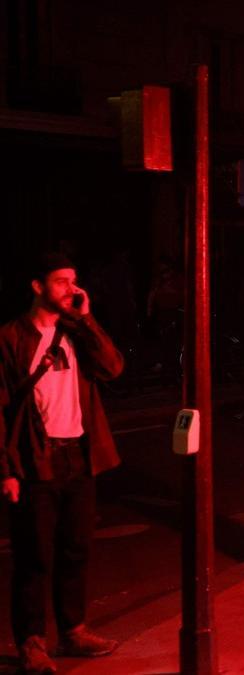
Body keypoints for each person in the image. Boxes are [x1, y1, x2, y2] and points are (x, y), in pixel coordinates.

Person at [0, 252, 123, 674]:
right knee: (34, 555)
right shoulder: (10, 337)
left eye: (74, 280)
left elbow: (112, 367)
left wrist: (87, 320)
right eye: (61, 281)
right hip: (36, 458)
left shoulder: (76, 332)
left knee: (76, 550)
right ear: (37, 286)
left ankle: (73, 630)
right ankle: (32, 641)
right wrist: (7, 470)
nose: (71, 288)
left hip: (78, 455)